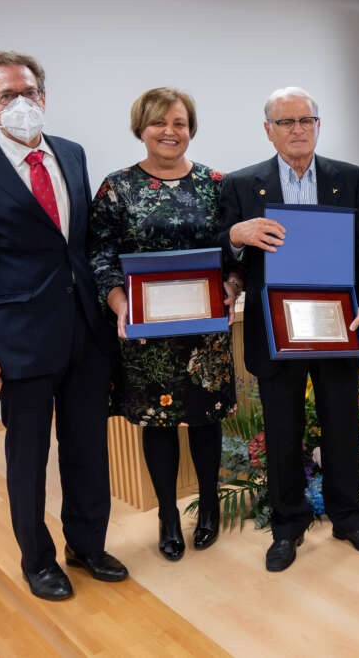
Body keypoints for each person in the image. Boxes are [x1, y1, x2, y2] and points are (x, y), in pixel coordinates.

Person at [0, 51, 127, 601]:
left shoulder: (71, 152)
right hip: (18, 341)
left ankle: (87, 545)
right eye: (7, 95)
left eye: (29, 92)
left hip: (85, 333)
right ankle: (37, 561)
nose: (21, 103)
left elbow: (82, 244)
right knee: (28, 458)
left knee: (88, 449)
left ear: (44, 95)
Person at [220, 86, 359, 572]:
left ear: (318, 125)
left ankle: (349, 519)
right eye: (286, 122)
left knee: (342, 426)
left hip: (337, 326)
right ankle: (287, 526)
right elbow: (222, 253)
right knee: (282, 431)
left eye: (306, 121)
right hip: (274, 332)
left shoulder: (349, 179)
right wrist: (236, 236)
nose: (298, 130)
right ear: (268, 130)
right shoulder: (241, 185)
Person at [87, 88, 238, 562]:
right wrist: (119, 304)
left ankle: (209, 506)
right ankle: (168, 516)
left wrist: (233, 285)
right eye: (159, 123)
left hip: (204, 330)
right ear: (141, 129)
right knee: (158, 423)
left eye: (179, 123)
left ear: (191, 129)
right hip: (146, 334)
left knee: (207, 419)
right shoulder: (117, 188)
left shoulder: (217, 184)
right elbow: (99, 255)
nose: (170, 132)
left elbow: (236, 251)